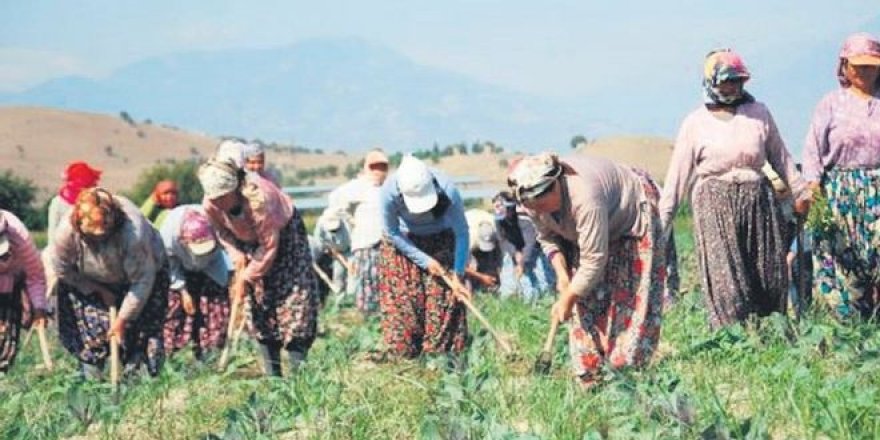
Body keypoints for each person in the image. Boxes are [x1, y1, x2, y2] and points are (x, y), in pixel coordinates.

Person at [660, 49, 810, 329]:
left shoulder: (758, 113)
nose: (731, 87)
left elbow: (781, 156)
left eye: (736, 81)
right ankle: (732, 338)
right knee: (726, 278)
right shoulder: (695, 123)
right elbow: (677, 176)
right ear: (710, 82)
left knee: (768, 273)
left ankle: (769, 332)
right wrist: (663, 222)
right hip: (714, 203)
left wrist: (800, 192)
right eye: (725, 81)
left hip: (758, 200)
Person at [509, 152, 665, 386]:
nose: (539, 212)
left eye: (541, 205)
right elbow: (547, 238)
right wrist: (562, 276)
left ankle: (627, 375)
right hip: (590, 233)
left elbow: (593, 260)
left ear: (554, 187)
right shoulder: (532, 202)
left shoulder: (585, 196)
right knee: (586, 300)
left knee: (631, 298)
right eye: (533, 207)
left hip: (629, 216)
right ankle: (591, 374)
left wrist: (568, 297)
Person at [198, 156, 318, 377]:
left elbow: (269, 246)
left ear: (234, 189)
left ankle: (300, 378)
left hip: (283, 238)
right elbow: (222, 233)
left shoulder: (260, 198)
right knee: (260, 306)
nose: (218, 203)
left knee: (294, 302)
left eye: (223, 198)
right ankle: (274, 379)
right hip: (248, 244)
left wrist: (246, 276)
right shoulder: (210, 204)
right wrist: (237, 257)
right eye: (214, 198)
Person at [802, 33, 880, 320]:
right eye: (858, 66)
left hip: (879, 193)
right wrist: (813, 186)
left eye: (871, 65)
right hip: (840, 194)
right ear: (845, 66)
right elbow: (812, 148)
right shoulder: (831, 104)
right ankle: (849, 327)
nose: (864, 72)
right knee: (842, 260)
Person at [52, 188, 169, 378]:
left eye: (103, 234)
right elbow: (62, 268)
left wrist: (122, 319)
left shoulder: (133, 233)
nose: (98, 240)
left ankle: (141, 386)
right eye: (92, 236)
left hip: (142, 279)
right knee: (93, 334)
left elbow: (142, 280)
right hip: (88, 279)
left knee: (140, 335)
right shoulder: (66, 233)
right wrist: (94, 289)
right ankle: (93, 383)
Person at [377, 155, 469, 360]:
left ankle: (441, 361)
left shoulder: (447, 188)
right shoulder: (388, 193)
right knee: (404, 306)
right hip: (403, 243)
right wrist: (425, 260)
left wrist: (458, 273)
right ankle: (407, 360)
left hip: (441, 239)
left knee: (444, 302)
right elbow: (391, 232)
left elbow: (462, 232)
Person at [159, 205, 231, 359]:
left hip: (212, 265)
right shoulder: (168, 235)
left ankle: (212, 356)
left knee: (216, 310)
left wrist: (235, 278)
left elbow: (232, 250)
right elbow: (170, 264)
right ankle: (174, 358)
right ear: (183, 240)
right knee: (176, 312)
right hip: (180, 265)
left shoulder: (217, 222)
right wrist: (183, 291)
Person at [328, 149, 390, 314]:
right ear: (367, 168)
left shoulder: (388, 188)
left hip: (386, 243)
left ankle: (383, 316)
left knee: (384, 281)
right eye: (374, 167)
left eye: (382, 167)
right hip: (365, 243)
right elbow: (335, 201)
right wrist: (351, 219)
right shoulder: (357, 187)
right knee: (366, 280)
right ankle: (368, 315)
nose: (378, 171)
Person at [0, 210, 49, 373]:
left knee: (5, 348)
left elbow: (35, 275)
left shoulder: (19, 235)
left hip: (9, 285)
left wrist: (39, 307)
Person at [492, 191, 556, 300]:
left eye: (499, 206)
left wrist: (521, 263)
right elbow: (503, 240)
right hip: (513, 250)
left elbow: (529, 243)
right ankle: (512, 302)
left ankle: (539, 302)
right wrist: (515, 254)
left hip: (534, 250)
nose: (497, 210)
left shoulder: (525, 219)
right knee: (508, 284)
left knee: (541, 283)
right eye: (495, 207)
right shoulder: (498, 220)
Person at [309, 209, 351, 306]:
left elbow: (352, 244)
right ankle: (339, 303)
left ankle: (351, 301)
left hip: (349, 250)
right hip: (330, 251)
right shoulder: (321, 225)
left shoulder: (347, 225)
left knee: (353, 277)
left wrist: (349, 264)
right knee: (338, 275)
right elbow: (323, 244)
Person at [464, 209, 502, 293]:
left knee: (491, 265)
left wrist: (497, 270)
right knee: (472, 266)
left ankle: (490, 288)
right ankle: (472, 291)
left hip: (489, 233)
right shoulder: (468, 238)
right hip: (467, 246)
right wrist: (481, 277)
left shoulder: (496, 228)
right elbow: (461, 266)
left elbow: (499, 253)